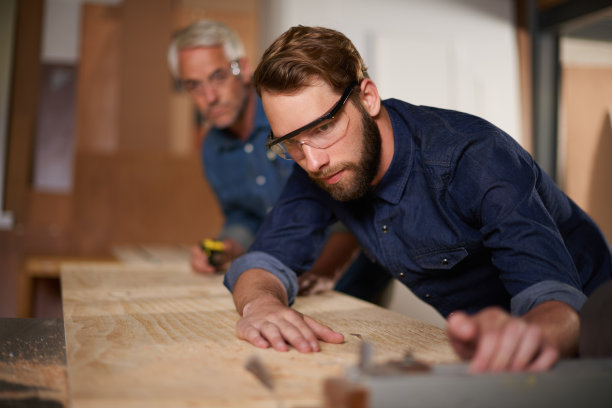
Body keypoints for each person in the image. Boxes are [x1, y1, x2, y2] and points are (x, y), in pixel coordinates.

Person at [223, 25, 612, 373]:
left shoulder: (474, 157)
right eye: (291, 141)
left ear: (368, 97)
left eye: (324, 127)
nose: (313, 161)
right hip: (493, 357)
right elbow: (263, 261)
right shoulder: (319, 163)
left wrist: (525, 335)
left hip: (589, 334)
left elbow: (555, 300)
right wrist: (262, 306)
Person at [167, 21, 391, 300]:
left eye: (218, 76)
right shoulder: (212, 148)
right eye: (194, 85)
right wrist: (227, 247)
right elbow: (244, 216)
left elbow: (356, 206)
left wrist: (318, 275)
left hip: (352, 276)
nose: (209, 97)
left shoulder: (293, 115)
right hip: (282, 280)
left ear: (243, 69)